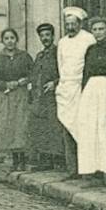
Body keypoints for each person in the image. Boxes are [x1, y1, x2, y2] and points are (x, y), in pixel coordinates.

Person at [76, 17, 106, 182]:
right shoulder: (90, 49)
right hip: (91, 89)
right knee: (90, 128)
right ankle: (93, 168)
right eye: (95, 29)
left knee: (105, 127)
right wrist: (83, 92)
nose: (98, 32)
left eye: (101, 29)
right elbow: (86, 73)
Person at [56, 6, 96, 178]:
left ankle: (88, 169)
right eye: (68, 24)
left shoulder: (89, 39)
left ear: (80, 24)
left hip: (82, 87)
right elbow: (61, 65)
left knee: (84, 127)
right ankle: (72, 169)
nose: (70, 27)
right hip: (66, 88)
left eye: (74, 24)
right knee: (67, 126)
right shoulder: (63, 42)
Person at [0, 28, 35, 171]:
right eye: (6, 38)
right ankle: (14, 160)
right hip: (6, 95)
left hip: (21, 95)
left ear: (16, 40)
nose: (10, 41)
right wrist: (5, 84)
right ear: (2, 41)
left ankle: (22, 159)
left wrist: (22, 82)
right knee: (10, 127)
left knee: (21, 126)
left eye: (12, 38)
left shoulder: (24, 56)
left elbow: (33, 74)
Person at [28, 23, 64, 171]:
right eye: (42, 36)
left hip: (54, 97)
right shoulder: (40, 55)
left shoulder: (58, 53)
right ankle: (45, 160)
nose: (45, 39)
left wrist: (55, 83)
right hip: (40, 98)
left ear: (53, 36)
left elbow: (66, 72)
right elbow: (34, 74)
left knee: (55, 127)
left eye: (47, 35)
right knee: (41, 128)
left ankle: (59, 160)